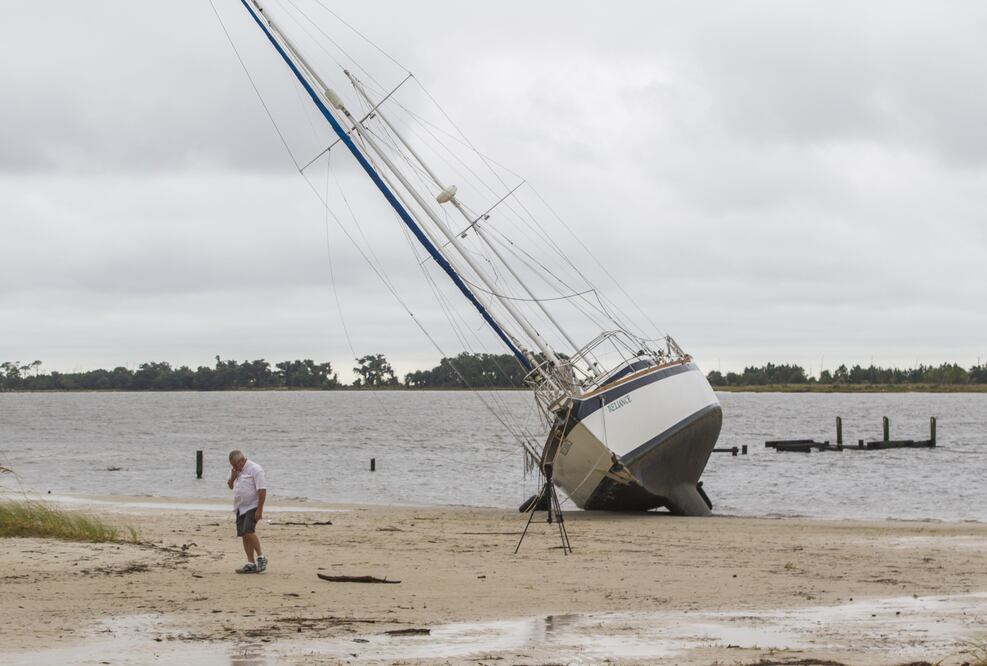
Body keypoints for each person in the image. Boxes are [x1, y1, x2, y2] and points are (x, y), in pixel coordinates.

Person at [228, 449, 268, 574]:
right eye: (232, 465)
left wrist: (259, 509)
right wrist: (233, 477)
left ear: (241, 460)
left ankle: (261, 557)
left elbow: (262, 490)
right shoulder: (236, 471)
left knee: (248, 531)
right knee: (243, 534)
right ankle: (250, 562)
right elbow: (230, 486)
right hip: (240, 507)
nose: (234, 467)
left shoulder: (255, 469)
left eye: (235, 465)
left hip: (253, 506)